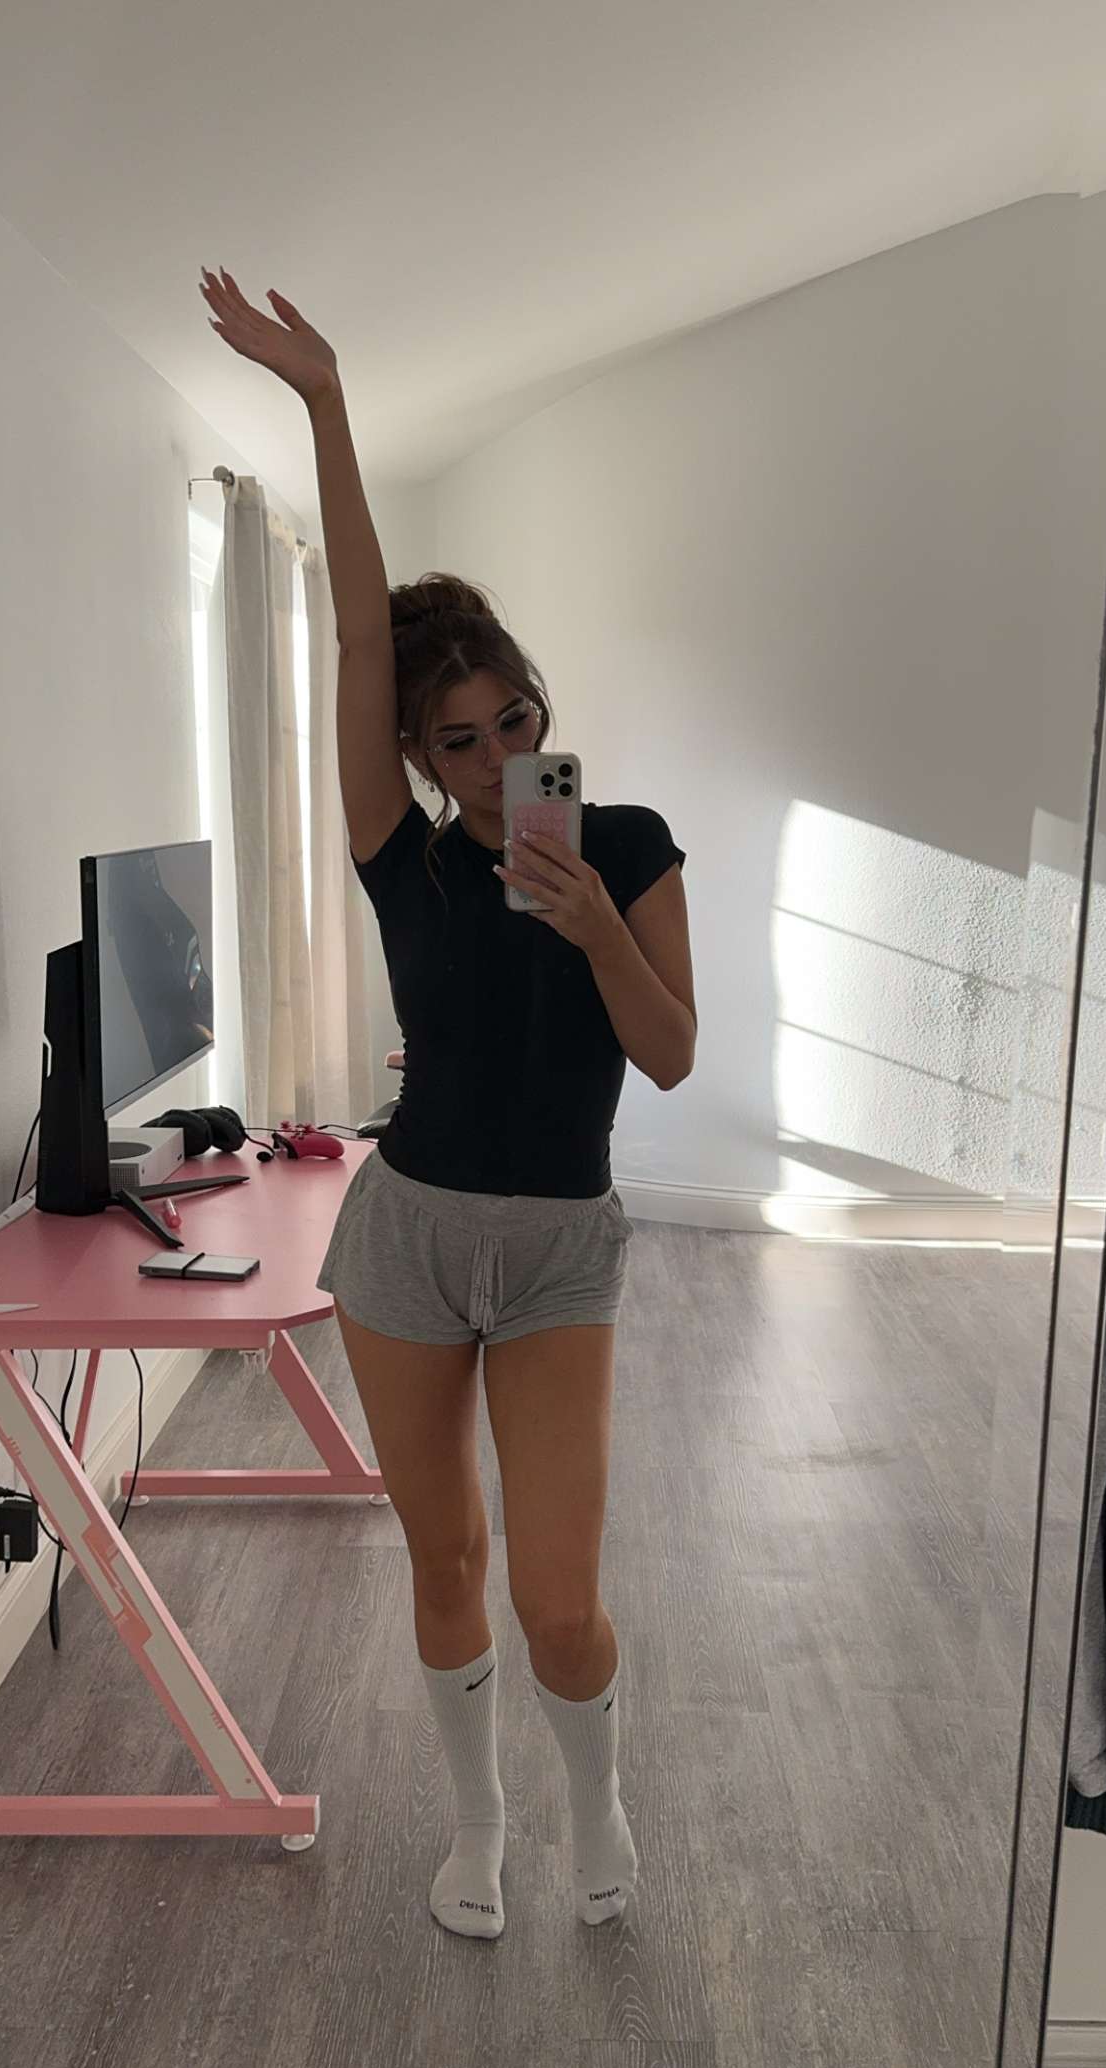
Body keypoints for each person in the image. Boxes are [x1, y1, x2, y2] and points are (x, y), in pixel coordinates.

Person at [200, 267, 697, 1939]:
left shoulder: (623, 846)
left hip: (559, 1250)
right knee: (443, 1564)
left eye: (515, 724)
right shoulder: (399, 861)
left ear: (543, 715)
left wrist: (595, 927)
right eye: (459, 740)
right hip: (405, 1242)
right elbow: (357, 635)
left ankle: (592, 1799)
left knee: (557, 1598)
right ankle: (477, 1828)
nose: (494, 761)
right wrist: (325, 401)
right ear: (418, 757)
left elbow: (669, 1055)